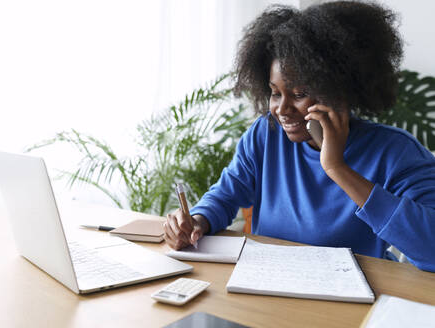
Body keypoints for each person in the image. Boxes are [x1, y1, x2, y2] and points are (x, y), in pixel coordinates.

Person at [163, 1, 435, 271]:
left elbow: (431, 250)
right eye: (275, 92)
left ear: (338, 91)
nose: (281, 109)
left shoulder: (394, 152)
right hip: (267, 289)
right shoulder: (266, 135)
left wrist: (336, 168)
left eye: (298, 94)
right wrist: (197, 221)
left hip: (349, 304)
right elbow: (224, 196)